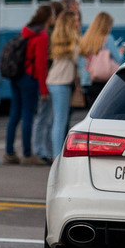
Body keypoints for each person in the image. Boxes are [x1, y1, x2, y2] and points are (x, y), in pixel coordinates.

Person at [4, 3, 54, 166]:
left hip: (17, 76)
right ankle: (27, 154)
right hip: (29, 78)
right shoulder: (42, 36)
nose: (54, 18)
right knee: (27, 116)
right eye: (53, 15)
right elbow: (41, 65)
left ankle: (9, 152)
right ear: (47, 18)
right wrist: (44, 89)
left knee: (15, 114)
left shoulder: (27, 30)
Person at [31, 0, 64, 164]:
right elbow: (42, 64)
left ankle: (44, 149)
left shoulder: (46, 32)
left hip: (47, 79)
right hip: (48, 79)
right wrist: (43, 88)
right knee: (45, 116)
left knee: (47, 117)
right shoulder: (47, 34)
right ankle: (41, 150)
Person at [47, 10, 80, 159]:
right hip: (62, 83)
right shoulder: (72, 43)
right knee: (60, 121)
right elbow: (79, 61)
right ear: (70, 25)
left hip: (53, 81)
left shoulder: (59, 39)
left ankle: (53, 153)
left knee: (55, 120)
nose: (78, 23)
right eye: (76, 21)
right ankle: (57, 156)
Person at [78, 11, 125, 107]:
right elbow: (118, 60)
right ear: (106, 25)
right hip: (104, 81)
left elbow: (81, 62)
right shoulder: (108, 38)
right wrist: (121, 52)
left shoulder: (85, 39)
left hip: (88, 82)